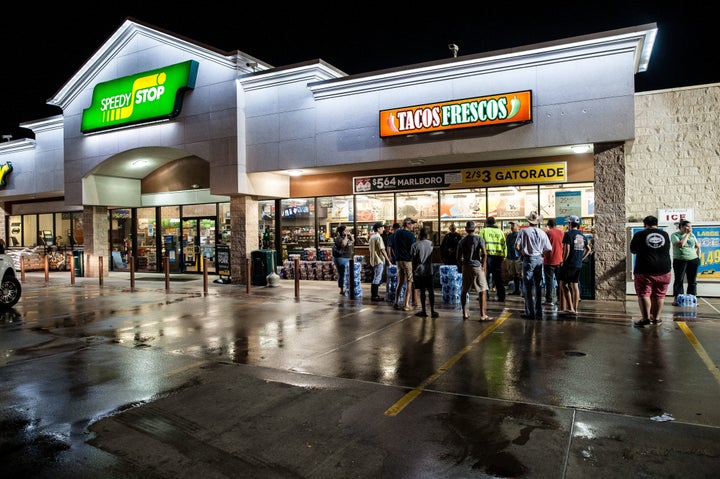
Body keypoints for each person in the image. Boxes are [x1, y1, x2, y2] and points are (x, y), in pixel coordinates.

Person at [630, 215, 672, 327]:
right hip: (664, 269)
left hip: (644, 269)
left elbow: (632, 250)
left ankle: (646, 319)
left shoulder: (639, 234)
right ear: (657, 224)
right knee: (660, 294)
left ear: (645, 225)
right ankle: (656, 318)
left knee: (644, 293)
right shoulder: (665, 234)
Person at [515, 211, 552, 320]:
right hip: (539, 259)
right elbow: (549, 248)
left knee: (527, 286)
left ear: (529, 221)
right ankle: (538, 311)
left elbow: (516, 245)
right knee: (538, 286)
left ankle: (530, 312)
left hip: (528, 258)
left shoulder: (523, 231)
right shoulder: (542, 233)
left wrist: (522, 253)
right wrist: (542, 255)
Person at [456, 221, 492, 321]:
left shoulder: (462, 241)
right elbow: (484, 254)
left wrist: (462, 266)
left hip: (466, 266)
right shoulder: (479, 238)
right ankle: (483, 314)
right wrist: (484, 266)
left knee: (464, 290)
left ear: (466, 229)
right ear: (474, 229)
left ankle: (464, 312)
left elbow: (458, 257)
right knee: (482, 290)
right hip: (476, 266)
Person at [558, 216, 591, 316]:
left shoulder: (568, 235)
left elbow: (567, 250)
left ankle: (570, 308)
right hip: (578, 264)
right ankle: (575, 309)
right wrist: (582, 258)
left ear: (570, 224)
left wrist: (563, 261)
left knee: (564, 285)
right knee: (575, 286)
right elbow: (588, 249)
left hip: (569, 264)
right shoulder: (582, 236)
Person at [670, 219, 701, 305]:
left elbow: (697, 246)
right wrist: (687, 234)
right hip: (680, 260)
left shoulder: (692, 235)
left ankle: (692, 298)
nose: (690, 228)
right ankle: (677, 298)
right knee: (679, 280)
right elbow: (680, 244)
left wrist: (698, 257)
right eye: (688, 226)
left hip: (693, 260)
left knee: (692, 280)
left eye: (691, 227)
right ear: (681, 227)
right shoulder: (675, 235)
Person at [411, 226, 438, 318]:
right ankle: (433, 311)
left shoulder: (415, 245)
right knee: (431, 291)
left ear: (419, 235)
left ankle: (424, 310)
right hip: (429, 270)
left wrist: (413, 271)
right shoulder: (431, 244)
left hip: (419, 271)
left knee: (422, 291)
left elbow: (413, 260)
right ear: (427, 235)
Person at [479, 216, 507, 302]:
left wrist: (480, 255)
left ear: (487, 223)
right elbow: (504, 245)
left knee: (485, 277)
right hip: (498, 257)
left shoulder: (483, 231)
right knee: (498, 277)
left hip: (486, 257)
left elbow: (480, 244)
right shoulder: (500, 232)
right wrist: (504, 256)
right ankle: (501, 296)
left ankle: (485, 295)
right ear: (494, 222)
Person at [393, 218, 417, 311]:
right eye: (411, 224)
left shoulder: (396, 233)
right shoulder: (410, 235)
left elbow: (393, 246)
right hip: (407, 260)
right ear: (407, 224)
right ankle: (406, 304)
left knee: (400, 281)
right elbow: (413, 248)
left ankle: (396, 302)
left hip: (398, 260)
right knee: (409, 282)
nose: (412, 226)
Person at [543, 218, 564, 307]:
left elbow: (544, 246)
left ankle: (549, 299)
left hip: (549, 260)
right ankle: (560, 299)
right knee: (560, 280)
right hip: (559, 259)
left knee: (549, 281)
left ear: (548, 225)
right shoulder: (562, 232)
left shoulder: (547, 233)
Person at [368, 222, 390, 302]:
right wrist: (388, 260)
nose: (383, 229)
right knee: (377, 278)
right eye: (382, 228)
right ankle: (374, 296)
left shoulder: (372, 237)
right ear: (378, 229)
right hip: (379, 260)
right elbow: (382, 249)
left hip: (373, 260)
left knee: (375, 277)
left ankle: (375, 295)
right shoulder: (378, 237)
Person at [333, 225, 354, 295]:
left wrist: (350, 235)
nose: (347, 232)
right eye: (345, 230)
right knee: (342, 274)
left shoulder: (347, 237)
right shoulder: (338, 238)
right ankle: (342, 289)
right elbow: (344, 244)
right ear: (342, 232)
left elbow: (353, 241)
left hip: (348, 257)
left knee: (347, 274)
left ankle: (347, 288)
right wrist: (345, 236)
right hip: (341, 258)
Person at [505, 222, 522, 295]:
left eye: (513, 225)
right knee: (514, 274)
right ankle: (517, 290)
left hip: (518, 257)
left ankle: (522, 290)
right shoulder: (509, 236)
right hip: (510, 257)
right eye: (511, 226)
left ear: (518, 227)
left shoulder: (520, 235)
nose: (512, 227)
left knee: (519, 274)